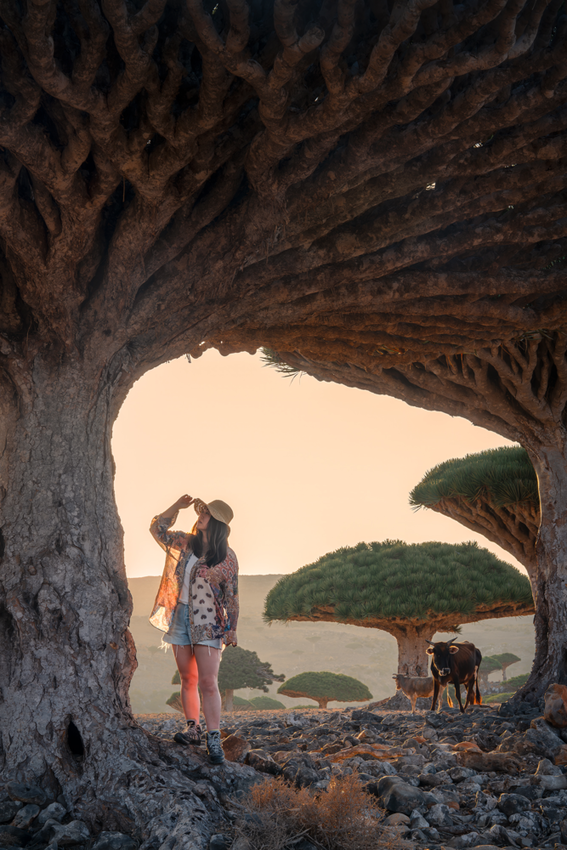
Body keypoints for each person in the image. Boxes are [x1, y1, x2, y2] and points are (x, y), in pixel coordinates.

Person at [149, 494, 239, 764]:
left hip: (209, 621)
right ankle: (193, 729)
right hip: (180, 615)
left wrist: (232, 628)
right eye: (201, 512)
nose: (201, 516)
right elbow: (157, 529)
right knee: (187, 678)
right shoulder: (186, 543)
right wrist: (177, 507)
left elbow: (232, 596)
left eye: (207, 514)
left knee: (208, 682)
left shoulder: (227, 557)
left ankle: (214, 738)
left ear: (218, 524)